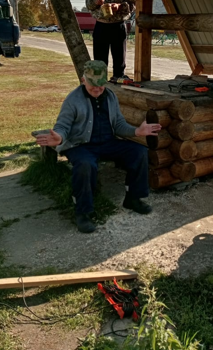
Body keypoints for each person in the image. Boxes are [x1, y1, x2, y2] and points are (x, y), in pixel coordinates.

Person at [35, 61, 162, 233]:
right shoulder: (73, 100)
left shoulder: (110, 97)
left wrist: (137, 131)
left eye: (101, 85)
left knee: (139, 152)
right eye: (93, 85)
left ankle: (133, 198)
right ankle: (82, 212)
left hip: (107, 142)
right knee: (86, 165)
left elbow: (118, 125)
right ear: (83, 80)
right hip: (81, 145)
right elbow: (62, 126)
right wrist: (59, 138)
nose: (97, 89)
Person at [85, 0, 135, 83]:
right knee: (99, 61)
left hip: (118, 25)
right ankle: (100, 83)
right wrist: (96, 2)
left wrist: (120, 6)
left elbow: (133, 4)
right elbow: (88, 4)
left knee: (119, 58)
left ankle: (118, 79)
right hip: (101, 25)